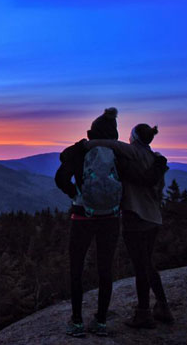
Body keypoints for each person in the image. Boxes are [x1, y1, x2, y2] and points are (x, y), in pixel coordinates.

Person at [85, 123, 174, 328]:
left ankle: (143, 313)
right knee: (147, 263)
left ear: (134, 136)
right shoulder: (156, 159)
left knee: (140, 266)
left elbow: (108, 143)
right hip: (153, 218)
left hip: (135, 216)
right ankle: (163, 306)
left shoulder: (133, 151)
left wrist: (84, 145)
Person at [55, 107, 122, 338]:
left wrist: (75, 194)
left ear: (91, 133)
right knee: (105, 268)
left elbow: (60, 177)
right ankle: (101, 321)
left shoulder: (81, 153)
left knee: (76, 267)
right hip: (111, 217)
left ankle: (76, 321)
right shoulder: (119, 153)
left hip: (82, 216)